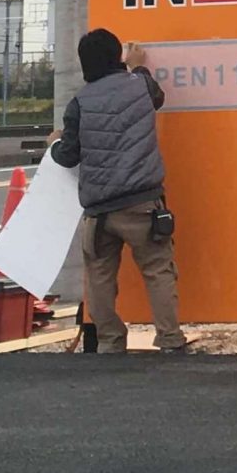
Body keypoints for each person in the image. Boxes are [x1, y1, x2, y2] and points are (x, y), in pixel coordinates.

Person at [50, 28, 188, 353]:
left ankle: (111, 343)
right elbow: (158, 97)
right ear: (118, 57)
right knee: (158, 271)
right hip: (143, 205)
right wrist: (137, 66)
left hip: (99, 212)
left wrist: (54, 142)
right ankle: (170, 340)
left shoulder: (78, 105)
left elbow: (67, 155)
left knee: (99, 278)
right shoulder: (140, 85)